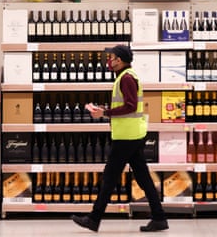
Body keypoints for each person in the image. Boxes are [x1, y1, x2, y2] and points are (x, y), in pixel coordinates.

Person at [71, 45, 168, 232]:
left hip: (127, 137)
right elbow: (127, 105)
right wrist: (105, 110)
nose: (110, 60)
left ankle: (94, 219)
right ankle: (159, 217)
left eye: (112, 57)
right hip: (131, 134)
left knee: (109, 177)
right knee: (143, 177)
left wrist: (105, 113)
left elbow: (130, 106)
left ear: (120, 60)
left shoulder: (127, 78)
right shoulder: (126, 76)